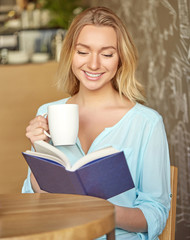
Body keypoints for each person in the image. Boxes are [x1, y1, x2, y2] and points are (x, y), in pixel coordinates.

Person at [22, 6, 171, 240]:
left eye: (107, 54)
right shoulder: (47, 113)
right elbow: (37, 198)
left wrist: (101, 211)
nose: (93, 65)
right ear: (70, 53)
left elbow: (155, 213)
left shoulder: (147, 123)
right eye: (83, 52)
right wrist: (40, 149)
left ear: (121, 58)